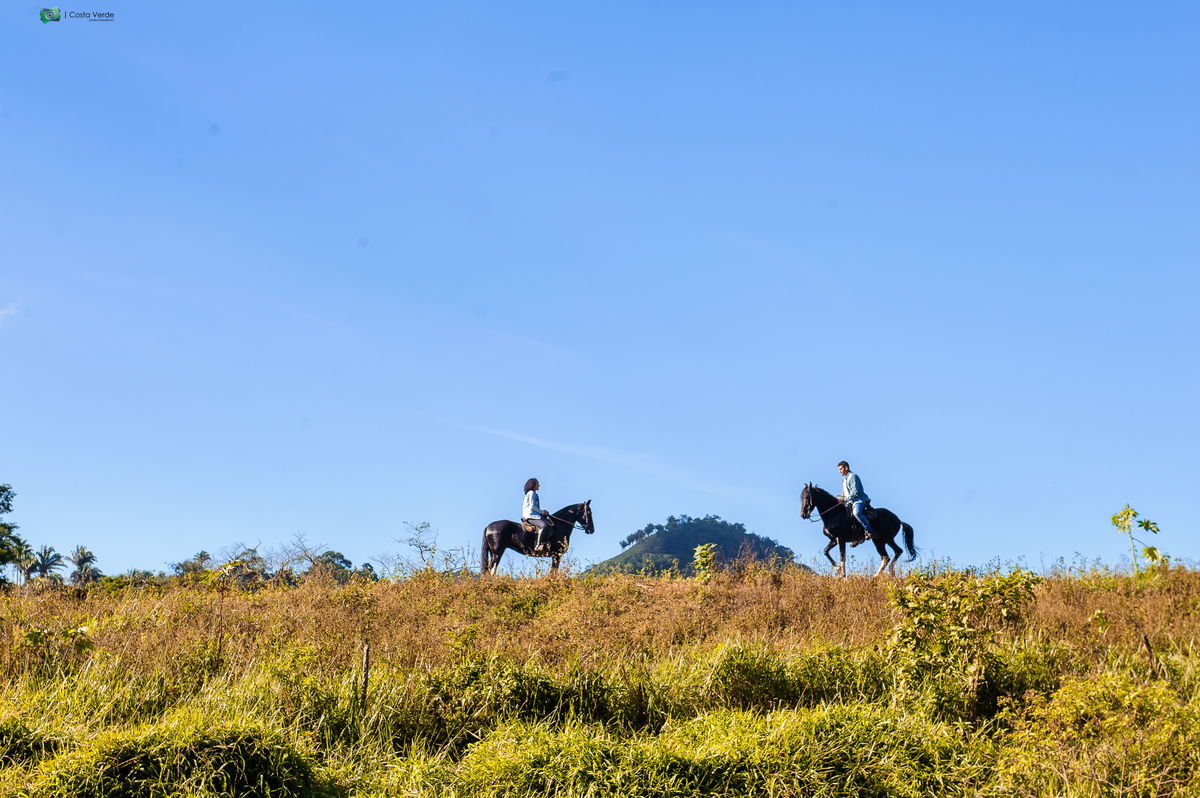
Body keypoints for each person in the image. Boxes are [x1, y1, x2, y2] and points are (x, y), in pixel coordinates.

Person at [837, 461, 874, 546]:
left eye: (841, 469)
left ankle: (869, 531)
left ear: (846, 468)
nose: (839, 471)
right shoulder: (844, 479)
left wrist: (846, 500)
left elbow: (855, 492)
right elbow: (845, 492)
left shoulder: (853, 476)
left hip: (858, 500)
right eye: (839, 469)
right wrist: (841, 499)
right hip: (849, 501)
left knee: (856, 513)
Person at [522, 478, 550, 550]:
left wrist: (542, 513)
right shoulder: (532, 493)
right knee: (544, 526)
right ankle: (538, 545)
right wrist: (543, 512)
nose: (539, 485)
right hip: (531, 516)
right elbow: (532, 507)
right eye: (538, 484)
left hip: (534, 515)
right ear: (534, 484)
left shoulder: (534, 494)